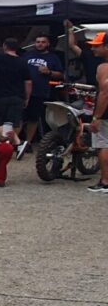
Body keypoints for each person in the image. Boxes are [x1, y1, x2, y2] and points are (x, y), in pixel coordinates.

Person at [21, 34, 64, 153]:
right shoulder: (27, 55)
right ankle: (15, 142)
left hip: (40, 91)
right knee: (19, 117)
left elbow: (61, 75)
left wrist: (49, 72)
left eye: (43, 42)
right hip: (23, 91)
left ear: (48, 44)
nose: (40, 44)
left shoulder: (53, 58)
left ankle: (27, 142)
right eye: (38, 41)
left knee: (33, 118)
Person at [85, 31, 108, 193]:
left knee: (103, 145)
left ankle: (105, 181)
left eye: (97, 46)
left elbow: (105, 92)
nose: (93, 50)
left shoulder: (104, 67)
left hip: (106, 113)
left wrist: (97, 116)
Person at [64, 20, 103, 85]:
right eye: (92, 46)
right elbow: (72, 46)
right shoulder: (88, 55)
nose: (92, 48)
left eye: (96, 46)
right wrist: (70, 29)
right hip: (92, 88)